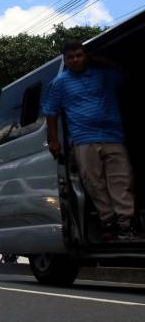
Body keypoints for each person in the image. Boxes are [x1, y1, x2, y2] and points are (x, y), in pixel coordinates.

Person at [43, 40, 137, 241]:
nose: (75, 60)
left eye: (79, 55)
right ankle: (108, 221)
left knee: (121, 180)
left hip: (113, 136)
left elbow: (126, 77)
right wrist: (53, 140)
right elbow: (50, 113)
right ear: (65, 60)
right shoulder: (60, 83)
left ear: (86, 57)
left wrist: (103, 60)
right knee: (94, 182)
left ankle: (125, 224)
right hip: (83, 139)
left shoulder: (104, 75)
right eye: (70, 57)